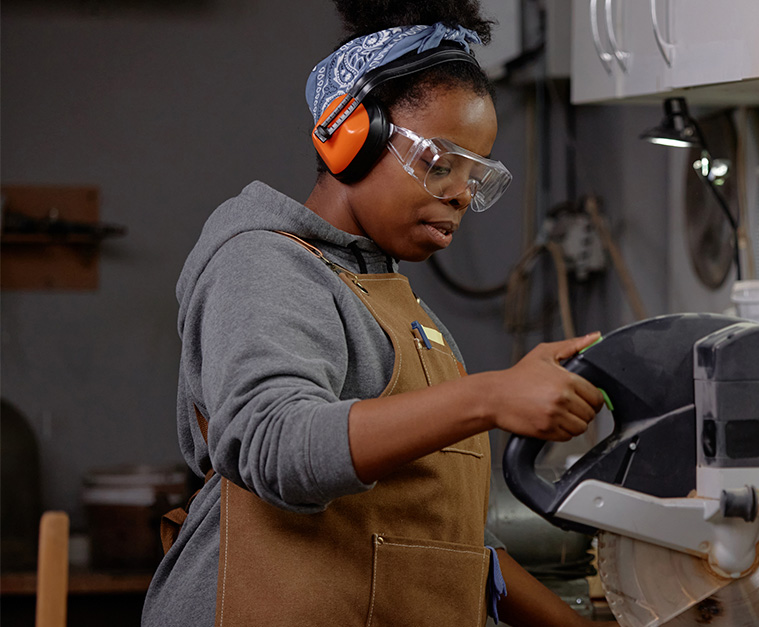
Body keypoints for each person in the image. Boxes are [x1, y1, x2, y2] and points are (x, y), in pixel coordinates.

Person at [143, 1, 617, 625]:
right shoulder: (263, 262)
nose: (459, 195)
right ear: (351, 135)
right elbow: (273, 443)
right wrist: (490, 398)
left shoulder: (414, 320)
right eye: (440, 163)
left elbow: (458, 550)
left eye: (476, 179)